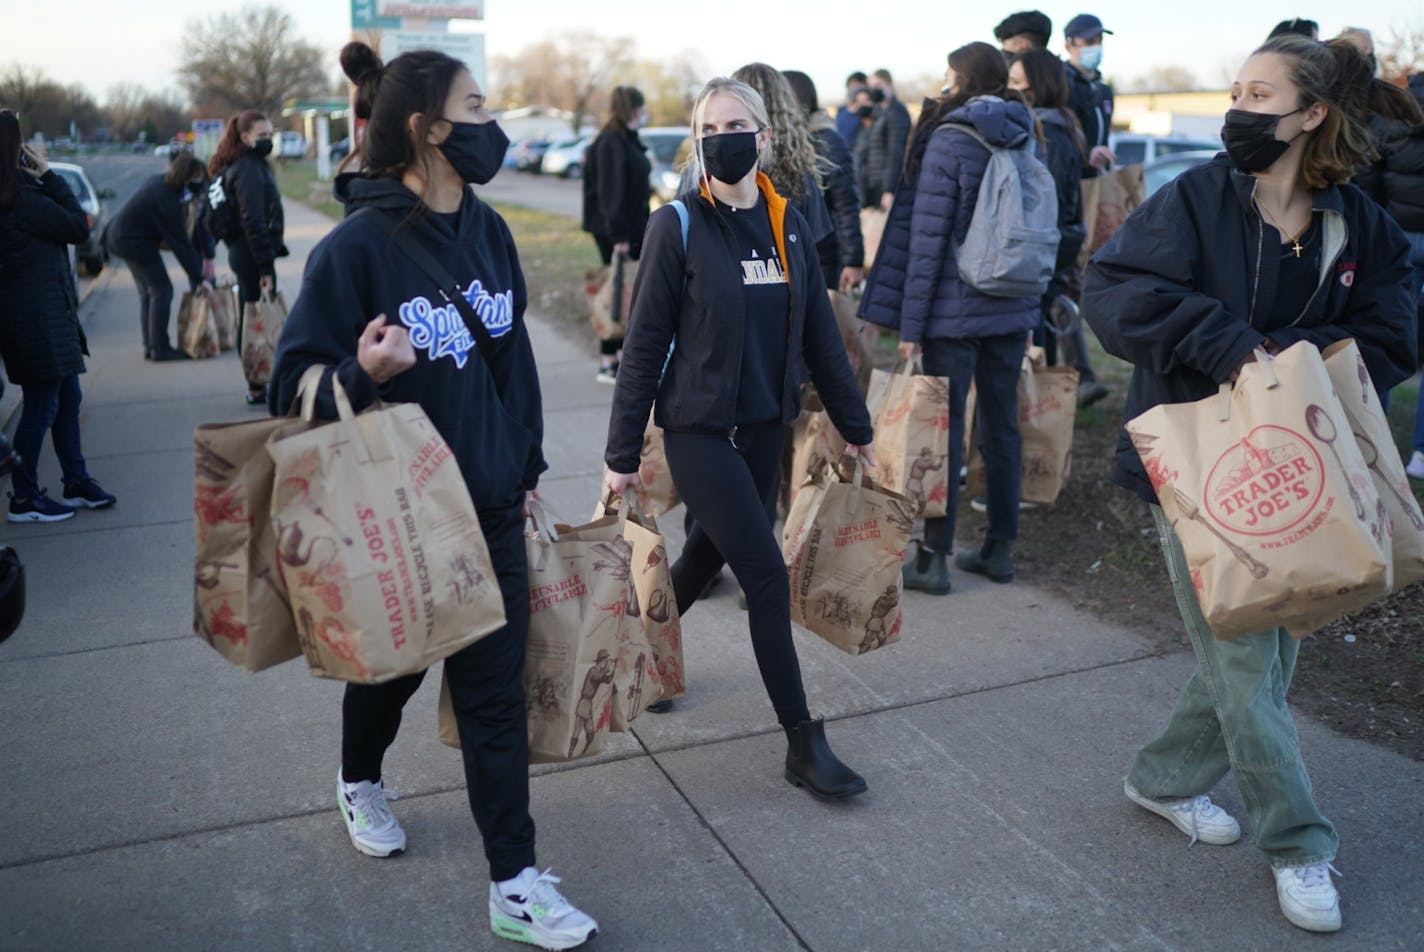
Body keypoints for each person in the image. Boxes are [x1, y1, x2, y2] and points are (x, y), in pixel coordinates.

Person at [267, 42, 597, 951]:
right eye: (478, 108)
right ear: (427, 128)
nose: (492, 126)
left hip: (488, 506)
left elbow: (512, 362)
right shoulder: (355, 250)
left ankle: (515, 885)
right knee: (397, 671)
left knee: (494, 697)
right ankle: (358, 776)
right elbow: (287, 389)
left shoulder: (488, 230)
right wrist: (362, 370)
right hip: (402, 520)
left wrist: (526, 468)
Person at [1083, 36, 1416, 934]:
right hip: (1194, 474)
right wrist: (1229, 344)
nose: (1238, 107)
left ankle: (1158, 780)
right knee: (1245, 661)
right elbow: (1112, 292)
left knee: (1266, 658)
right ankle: (1300, 845)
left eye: (1257, 93)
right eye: (1235, 90)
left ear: (1311, 115)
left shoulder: (1361, 225)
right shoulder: (1192, 199)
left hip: (1305, 471)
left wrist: (1316, 367)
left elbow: (1393, 325)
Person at [604, 77, 875, 801]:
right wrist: (620, 455)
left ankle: (635, 653)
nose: (721, 136)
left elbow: (820, 338)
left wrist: (857, 426)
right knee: (763, 574)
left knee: (703, 555)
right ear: (698, 142)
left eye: (735, 123)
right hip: (698, 434)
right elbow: (643, 344)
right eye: (708, 126)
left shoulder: (787, 228)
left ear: (765, 136)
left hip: (763, 431)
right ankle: (802, 742)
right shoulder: (678, 226)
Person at [859, 42, 1046, 595]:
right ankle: (998, 549)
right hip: (1011, 304)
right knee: (1001, 426)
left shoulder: (949, 138)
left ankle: (934, 557)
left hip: (952, 313)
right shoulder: (1024, 131)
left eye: (948, 75)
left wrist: (910, 329)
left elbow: (927, 244)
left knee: (941, 432)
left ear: (961, 80)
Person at [0, 109, 116, 523]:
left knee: (67, 399)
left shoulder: (15, 193)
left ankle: (75, 480)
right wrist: (48, 173)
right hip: (37, 323)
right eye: (26, 142)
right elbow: (77, 225)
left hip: (46, 317)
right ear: (15, 149)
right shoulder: (22, 197)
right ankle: (25, 496)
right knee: (42, 407)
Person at [1008, 48, 1111, 408]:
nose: (1011, 89)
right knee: (1046, 329)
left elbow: (1042, 204)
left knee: (1037, 335)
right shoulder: (1061, 125)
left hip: (1045, 246)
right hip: (1059, 241)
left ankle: (1037, 411)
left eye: (1018, 82)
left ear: (1040, 84)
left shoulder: (1046, 131)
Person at [208, 109, 287, 404]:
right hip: (252, 256)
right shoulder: (249, 170)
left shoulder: (242, 165)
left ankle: (259, 381)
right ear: (244, 137)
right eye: (262, 135)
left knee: (254, 317)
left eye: (270, 134)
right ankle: (258, 383)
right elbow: (253, 220)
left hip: (245, 253)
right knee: (257, 320)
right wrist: (266, 265)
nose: (268, 140)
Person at [106, 154, 216, 361]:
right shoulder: (166, 200)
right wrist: (201, 279)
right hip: (133, 242)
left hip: (122, 238)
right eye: (196, 178)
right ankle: (160, 348)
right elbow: (180, 245)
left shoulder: (161, 183)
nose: (199, 184)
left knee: (148, 292)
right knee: (162, 289)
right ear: (184, 177)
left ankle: (151, 345)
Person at [581, 85, 651, 384]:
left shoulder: (624, 139)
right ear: (634, 110)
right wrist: (619, 236)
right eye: (643, 108)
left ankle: (620, 357)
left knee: (625, 293)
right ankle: (609, 362)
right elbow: (611, 193)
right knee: (617, 292)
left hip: (628, 230)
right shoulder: (612, 142)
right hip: (619, 234)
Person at [783, 69, 865, 292]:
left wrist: (853, 260)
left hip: (823, 254)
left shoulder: (827, 140)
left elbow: (846, 204)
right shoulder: (780, 142)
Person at [1062, 14, 1116, 176]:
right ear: (1069, 46)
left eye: (1099, 40)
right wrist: (1086, 153)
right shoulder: (1061, 85)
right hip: (1072, 178)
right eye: (1089, 42)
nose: (1096, 46)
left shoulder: (1104, 90)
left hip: (1098, 178)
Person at [861, 69, 913, 211]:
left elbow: (896, 153)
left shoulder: (897, 113)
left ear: (890, 86)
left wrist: (888, 190)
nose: (874, 90)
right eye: (871, 86)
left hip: (887, 185)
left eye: (878, 85)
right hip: (876, 181)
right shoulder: (879, 112)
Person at [835, 71, 868, 145]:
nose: (855, 89)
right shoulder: (841, 110)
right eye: (852, 85)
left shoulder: (867, 112)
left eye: (858, 85)